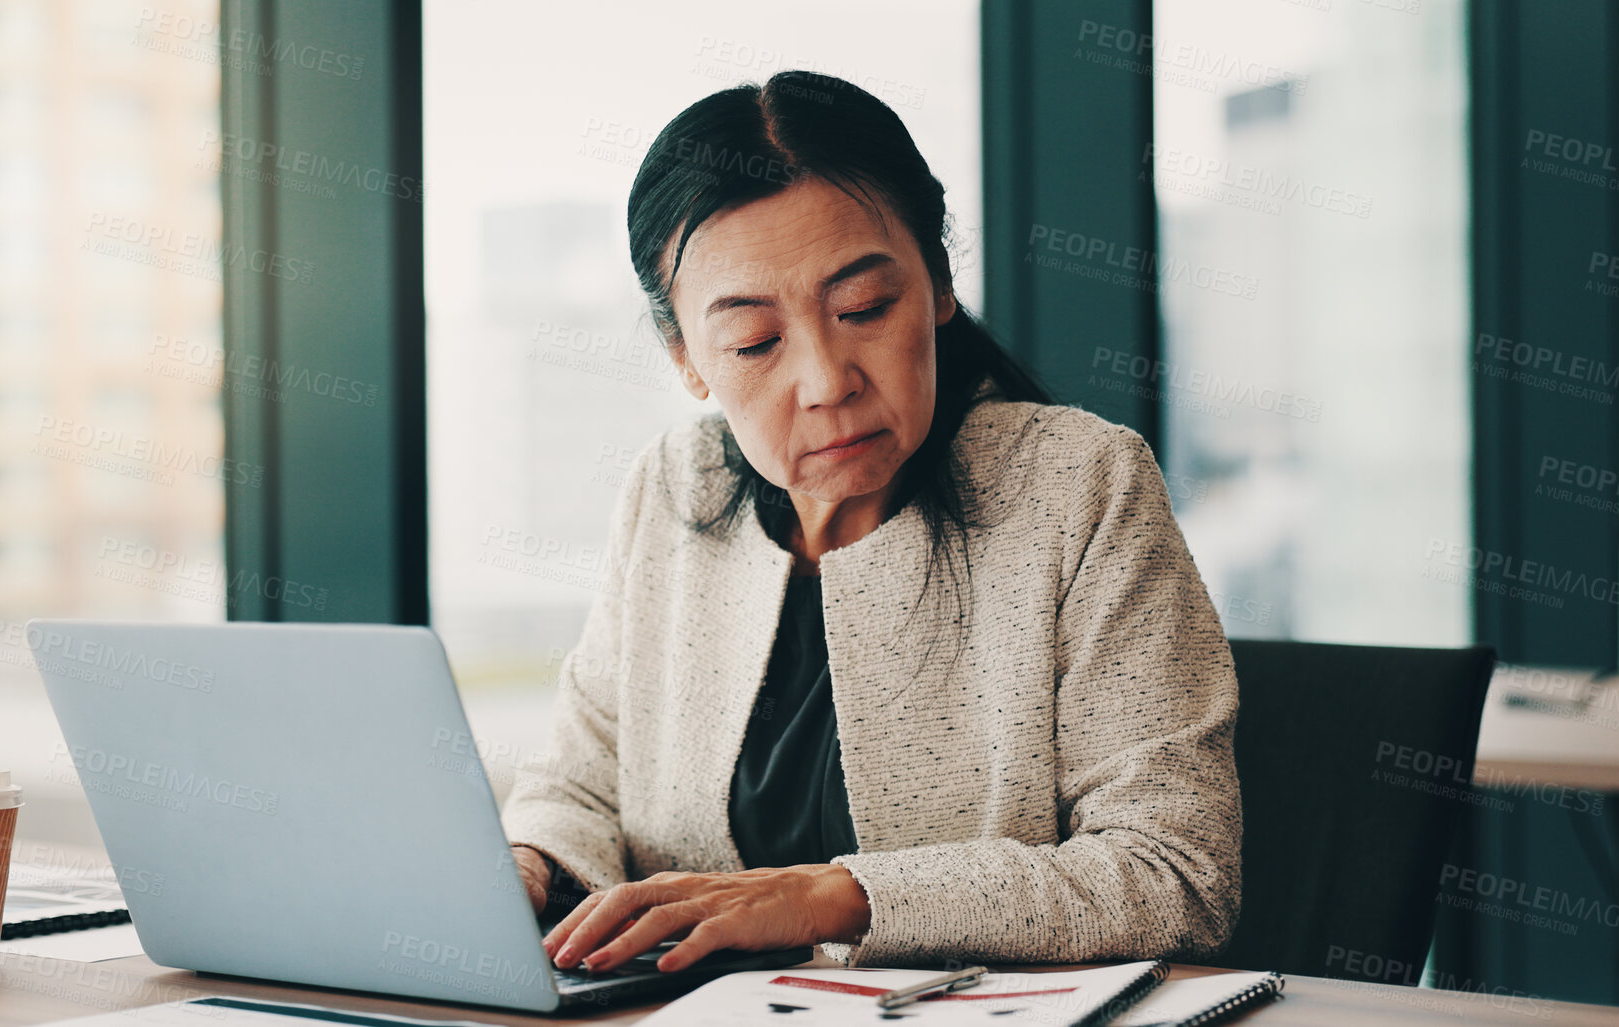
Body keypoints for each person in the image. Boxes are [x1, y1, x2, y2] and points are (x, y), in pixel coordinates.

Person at [499, 69, 1241, 975]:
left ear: (935, 285)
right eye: (753, 342)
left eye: (863, 309)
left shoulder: (1077, 485)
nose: (825, 381)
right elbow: (581, 775)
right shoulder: (673, 485)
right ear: (687, 358)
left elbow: (1173, 873)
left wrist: (828, 896)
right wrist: (526, 862)